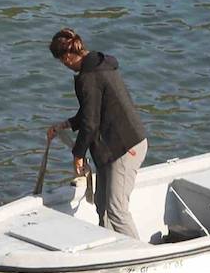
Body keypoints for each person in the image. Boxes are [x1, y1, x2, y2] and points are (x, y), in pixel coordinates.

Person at [44, 28, 148, 239]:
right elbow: (91, 112)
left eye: (63, 62)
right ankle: (111, 249)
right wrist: (64, 125)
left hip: (125, 148)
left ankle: (140, 255)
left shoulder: (89, 78)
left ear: (68, 56)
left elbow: (90, 123)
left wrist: (78, 155)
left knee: (116, 210)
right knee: (102, 206)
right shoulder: (101, 66)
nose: (65, 67)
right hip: (111, 147)